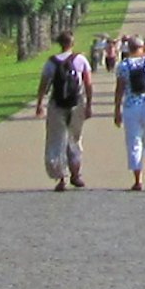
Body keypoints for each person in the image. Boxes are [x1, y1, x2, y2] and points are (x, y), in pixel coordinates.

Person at [38, 35, 91, 190]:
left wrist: (40, 103)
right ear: (72, 43)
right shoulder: (80, 59)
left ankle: (61, 178)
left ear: (59, 44)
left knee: (56, 139)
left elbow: (44, 84)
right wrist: (88, 104)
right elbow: (88, 83)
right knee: (74, 138)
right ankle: (76, 174)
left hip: (57, 103)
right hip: (76, 102)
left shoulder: (51, 62)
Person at [113, 40, 145, 190]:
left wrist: (117, 110)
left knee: (134, 142)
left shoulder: (124, 65)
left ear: (129, 48)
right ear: (144, 48)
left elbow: (119, 90)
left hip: (131, 106)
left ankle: (138, 180)